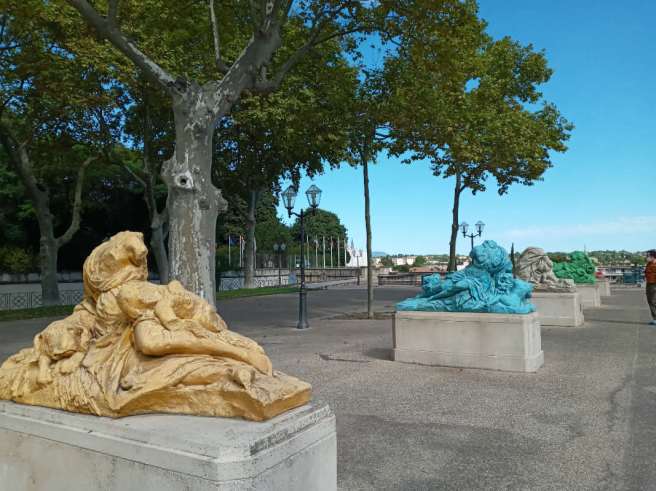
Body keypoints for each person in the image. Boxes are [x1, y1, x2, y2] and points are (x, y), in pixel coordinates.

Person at [646, 250, 656, 326]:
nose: (647, 257)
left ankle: (655, 319)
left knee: (652, 301)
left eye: (648, 256)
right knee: (650, 301)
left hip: (653, 284)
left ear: (653, 256)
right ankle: (654, 319)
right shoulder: (649, 264)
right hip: (649, 283)